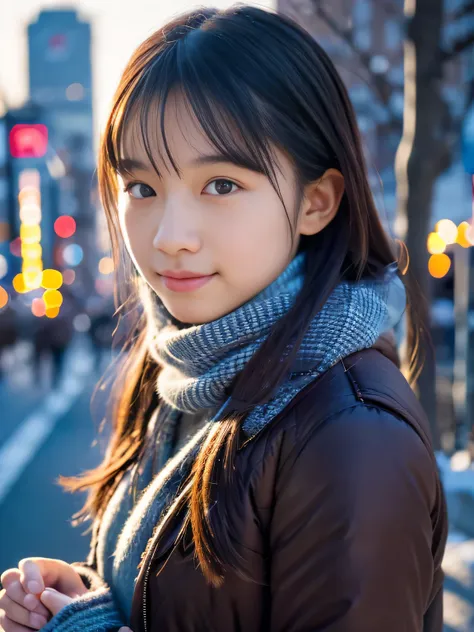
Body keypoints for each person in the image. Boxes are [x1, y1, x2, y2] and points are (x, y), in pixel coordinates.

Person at [0, 5, 447, 632]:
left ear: (316, 201)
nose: (170, 237)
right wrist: (90, 597)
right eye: (142, 189)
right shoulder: (183, 368)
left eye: (222, 185)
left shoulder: (352, 438)